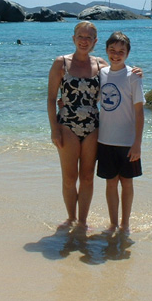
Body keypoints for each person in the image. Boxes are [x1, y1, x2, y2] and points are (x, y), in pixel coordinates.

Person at [48, 21, 106, 229]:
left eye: (88, 38)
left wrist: (135, 72)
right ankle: (71, 217)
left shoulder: (101, 65)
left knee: (88, 177)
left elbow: (119, 81)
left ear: (95, 41)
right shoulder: (61, 63)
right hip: (67, 125)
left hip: (93, 125)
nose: (84, 41)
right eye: (80, 36)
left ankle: (82, 221)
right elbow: (50, 98)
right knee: (70, 177)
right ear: (73, 39)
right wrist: (54, 129)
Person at [97, 31, 145, 234]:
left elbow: (139, 112)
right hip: (105, 139)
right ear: (106, 50)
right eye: (112, 50)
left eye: (121, 52)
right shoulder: (101, 73)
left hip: (127, 142)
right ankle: (113, 223)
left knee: (126, 183)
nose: (116, 55)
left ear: (128, 53)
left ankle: (125, 224)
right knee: (110, 184)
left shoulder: (133, 76)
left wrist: (137, 144)